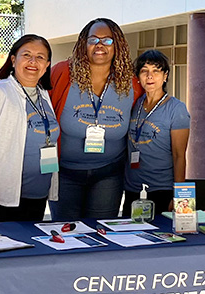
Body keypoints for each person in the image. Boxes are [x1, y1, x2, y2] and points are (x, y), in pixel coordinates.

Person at [49, 18, 142, 220]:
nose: (100, 45)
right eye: (93, 39)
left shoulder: (131, 83)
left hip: (108, 174)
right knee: (67, 236)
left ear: (117, 45)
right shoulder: (63, 73)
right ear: (84, 43)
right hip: (65, 173)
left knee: (101, 234)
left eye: (107, 40)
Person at [0, 34, 59, 222]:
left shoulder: (44, 95)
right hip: (6, 198)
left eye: (40, 57)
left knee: (32, 249)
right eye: (27, 55)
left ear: (47, 64)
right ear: (13, 59)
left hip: (39, 194)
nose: (33, 62)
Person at [123, 50, 190, 215]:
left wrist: (179, 196)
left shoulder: (176, 109)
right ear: (138, 76)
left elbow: (179, 155)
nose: (150, 76)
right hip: (132, 189)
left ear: (165, 76)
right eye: (144, 71)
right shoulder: (134, 104)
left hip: (162, 190)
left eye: (156, 71)